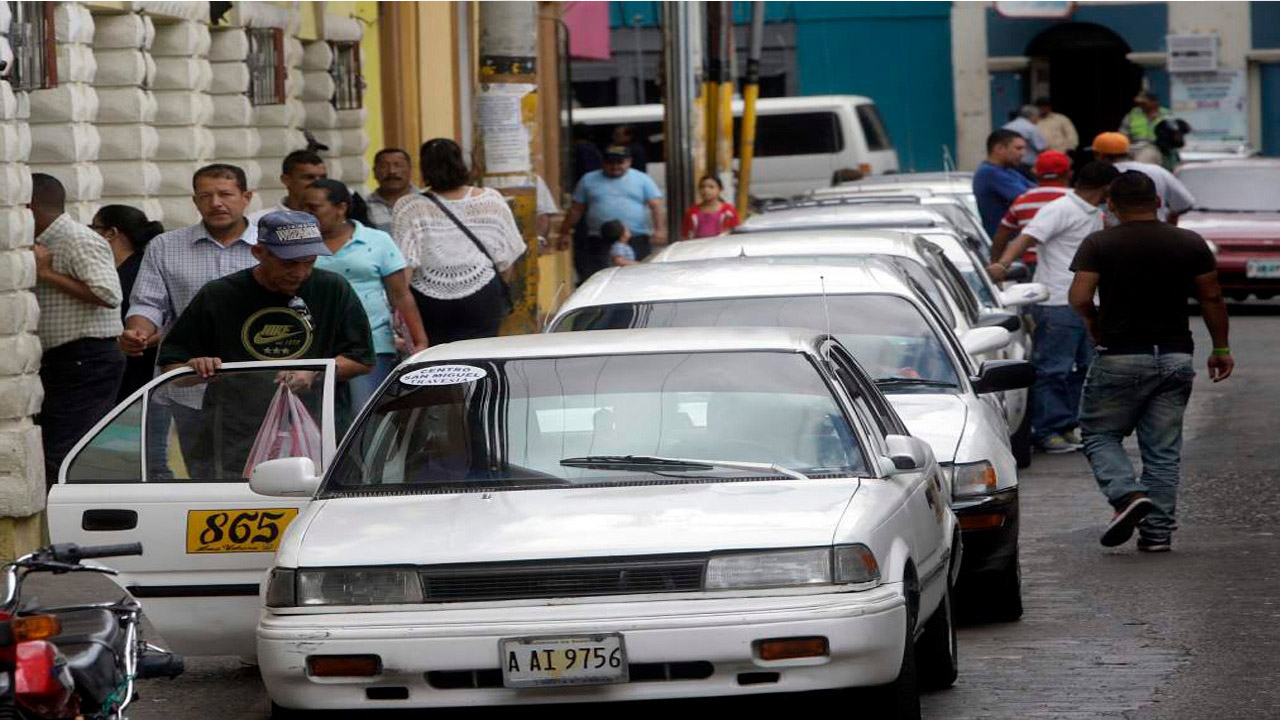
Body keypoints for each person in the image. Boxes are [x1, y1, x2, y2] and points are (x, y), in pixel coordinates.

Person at [1068, 171, 1233, 552]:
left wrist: (1094, 321)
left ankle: (1126, 496)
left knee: (1099, 434)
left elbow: (1079, 296)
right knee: (1162, 451)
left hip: (1120, 356)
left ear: (1111, 205)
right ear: (1158, 202)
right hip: (1175, 355)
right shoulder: (1190, 243)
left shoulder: (1099, 244)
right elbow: (1212, 298)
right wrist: (1221, 348)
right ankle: (1157, 534)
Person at [157, 210, 373, 474]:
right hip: (237, 438)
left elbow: (362, 359)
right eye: (289, 263)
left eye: (309, 262)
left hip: (318, 429)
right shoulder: (219, 295)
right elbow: (172, 369)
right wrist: (198, 368)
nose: (300, 273)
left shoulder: (332, 288)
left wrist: (315, 372)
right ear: (259, 253)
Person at [120, 163, 259, 479]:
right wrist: (137, 332)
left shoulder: (266, 247)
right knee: (202, 472)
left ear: (246, 197)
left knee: (256, 472)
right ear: (195, 202)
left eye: (225, 194)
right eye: (205, 196)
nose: (216, 203)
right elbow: (148, 303)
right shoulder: (165, 247)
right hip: (189, 380)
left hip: (258, 378)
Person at [988, 162, 1122, 454]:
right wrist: (1003, 265)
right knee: (1053, 369)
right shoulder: (1060, 208)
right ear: (1106, 188)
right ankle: (1046, 431)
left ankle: (1066, 425)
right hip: (1058, 303)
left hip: (1088, 302)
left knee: (1085, 369)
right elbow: (1027, 237)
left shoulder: (1094, 213)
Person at [29, 174, 126, 484]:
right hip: (63, 360)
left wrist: (46, 272)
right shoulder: (42, 241)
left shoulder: (77, 238)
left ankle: (63, 528)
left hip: (85, 358)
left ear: (29, 205)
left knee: (66, 451)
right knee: (55, 447)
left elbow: (109, 294)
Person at [304, 179, 428, 410]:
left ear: (341, 207)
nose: (307, 214)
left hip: (372, 343)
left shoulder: (376, 241)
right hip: (314, 346)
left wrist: (419, 341)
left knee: (366, 413)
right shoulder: (300, 246)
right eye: (303, 208)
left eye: (314, 208)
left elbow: (401, 295)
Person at [391, 138, 526, 344]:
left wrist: (398, 306)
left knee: (436, 363)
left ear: (423, 168)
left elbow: (404, 267)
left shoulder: (409, 206)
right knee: (481, 358)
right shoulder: (490, 199)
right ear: (463, 164)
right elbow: (507, 259)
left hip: (429, 301)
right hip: (483, 294)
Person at [90, 204, 165, 402]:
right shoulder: (122, 269)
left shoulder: (138, 271)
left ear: (111, 233)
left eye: (94, 227)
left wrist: (140, 339)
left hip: (138, 371)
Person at [558, 145, 666, 281]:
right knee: (600, 278)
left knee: (639, 276)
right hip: (599, 239)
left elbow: (656, 206)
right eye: (610, 162)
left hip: (635, 238)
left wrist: (660, 230)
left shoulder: (642, 179)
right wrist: (564, 232)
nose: (615, 166)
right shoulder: (588, 180)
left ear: (629, 162)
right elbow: (576, 209)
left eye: (620, 162)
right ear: (602, 162)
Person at [1092, 132, 1195, 225]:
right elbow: (1185, 203)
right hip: (1157, 236)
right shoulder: (1157, 171)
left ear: (1099, 155)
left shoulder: (1098, 176)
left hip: (1115, 239)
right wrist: (1170, 224)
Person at [991, 150, 1073, 265]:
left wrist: (996, 263)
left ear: (1036, 173)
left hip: (1031, 268)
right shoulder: (1078, 200)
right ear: (1069, 174)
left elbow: (1001, 235)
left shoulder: (1022, 201)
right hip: (1069, 266)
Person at [973, 129, 1035, 239]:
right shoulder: (990, 173)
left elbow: (1037, 191)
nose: (1023, 153)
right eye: (1018, 148)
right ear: (999, 148)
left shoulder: (1008, 171)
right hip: (1007, 243)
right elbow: (1032, 198)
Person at [249, 150, 327, 222]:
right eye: (309, 177)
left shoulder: (333, 220)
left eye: (323, 177)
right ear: (286, 180)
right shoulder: (258, 221)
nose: (318, 183)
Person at [367, 148, 418, 232]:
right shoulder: (364, 208)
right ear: (374, 172)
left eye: (398, 165)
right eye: (384, 166)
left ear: (410, 170)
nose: (392, 171)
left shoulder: (428, 202)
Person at [1120, 91, 1174, 166]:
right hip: (1134, 147)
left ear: (1154, 102)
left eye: (1144, 103)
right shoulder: (1133, 114)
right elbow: (1123, 134)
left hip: (1156, 148)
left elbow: (1174, 136)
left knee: (1143, 160)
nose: (1141, 105)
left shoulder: (1166, 115)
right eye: (1140, 103)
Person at [1002, 104, 1049, 173]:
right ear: (1032, 116)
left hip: (1008, 164)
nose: (1038, 120)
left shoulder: (1006, 127)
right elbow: (1042, 148)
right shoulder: (1031, 128)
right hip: (1027, 166)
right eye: (1038, 117)